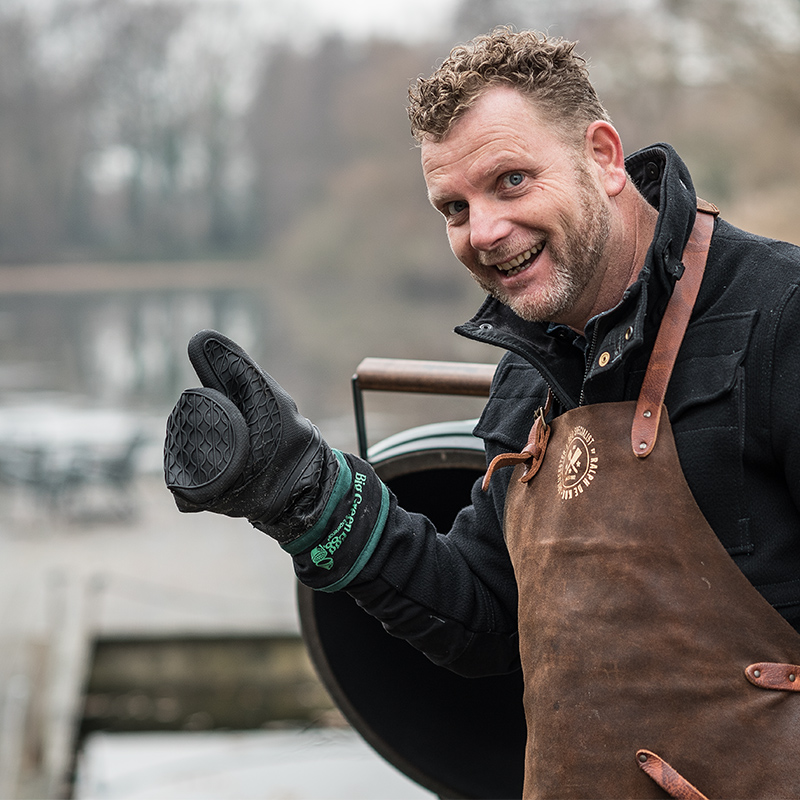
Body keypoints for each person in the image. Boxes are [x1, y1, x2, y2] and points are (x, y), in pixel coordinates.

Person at [164, 28, 800, 798]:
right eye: (454, 207)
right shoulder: (528, 371)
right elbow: (486, 619)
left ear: (601, 156)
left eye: (511, 181)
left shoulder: (780, 317)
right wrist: (304, 495)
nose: (485, 231)